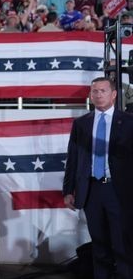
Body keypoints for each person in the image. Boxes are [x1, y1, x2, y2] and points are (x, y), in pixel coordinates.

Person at [63, 77, 133, 279]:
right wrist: (68, 190)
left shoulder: (129, 121)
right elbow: (73, 159)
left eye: (103, 91)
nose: (98, 95)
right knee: (99, 243)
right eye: (94, 91)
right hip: (91, 191)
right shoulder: (81, 123)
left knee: (122, 243)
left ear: (113, 95)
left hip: (118, 191)